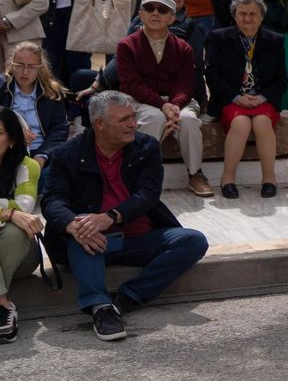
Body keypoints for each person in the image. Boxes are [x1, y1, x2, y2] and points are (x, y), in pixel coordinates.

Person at [39, 90, 210, 342]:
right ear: (99, 124)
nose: (133, 124)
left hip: (138, 237)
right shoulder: (68, 154)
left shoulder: (145, 146)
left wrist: (112, 216)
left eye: (133, 116)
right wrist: (71, 224)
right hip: (91, 240)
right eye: (124, 119)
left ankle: (127, 298)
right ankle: (100, 308)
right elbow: (52, 199)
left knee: (193, 240)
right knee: (84, 231)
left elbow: (148, 194)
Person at [117, 0, 211, 197]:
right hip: (141, 100)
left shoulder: (183, 48)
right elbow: (131, 84)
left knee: (189, 121)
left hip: (179, 101)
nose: (155, 13)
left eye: (163, 10)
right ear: (140, 14)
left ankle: (195, 173)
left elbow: (186, 84)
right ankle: (141, 176)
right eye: (149, 8)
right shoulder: (127, 45)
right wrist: (163, 105)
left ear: (172, 17)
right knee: (153, 117)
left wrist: (174, 105)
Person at [205, 0, 286, 199]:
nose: (248, 19)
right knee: (240, 123)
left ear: (261, 16)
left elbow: (281, 79)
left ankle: (269, 178)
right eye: (242, 14)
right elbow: (212, 75)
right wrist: (235, 97)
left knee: (261, 122)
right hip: (231, 99)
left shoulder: (275, 41)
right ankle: (228, 179)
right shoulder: (218, 38)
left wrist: (262, 97)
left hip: (262, 100)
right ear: (234, 15)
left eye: (253, 14)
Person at [0, 107, 43, 343]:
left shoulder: (28, 166)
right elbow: (15, 208)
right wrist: (7, 211)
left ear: (13, 139)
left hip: (20, 255)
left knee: (17, 230)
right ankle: (3, 305)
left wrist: (11, 213)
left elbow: (25, 206)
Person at [0, 41, 68, 163]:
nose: (25, 72)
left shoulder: (52, 93)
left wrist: (43, 156)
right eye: (20, 65)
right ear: (12, 65)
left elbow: (60, 130)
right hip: (6, 150)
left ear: (40, 68)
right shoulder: (2, 88)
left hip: (41, 151)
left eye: (31, 67)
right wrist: (14, 133)